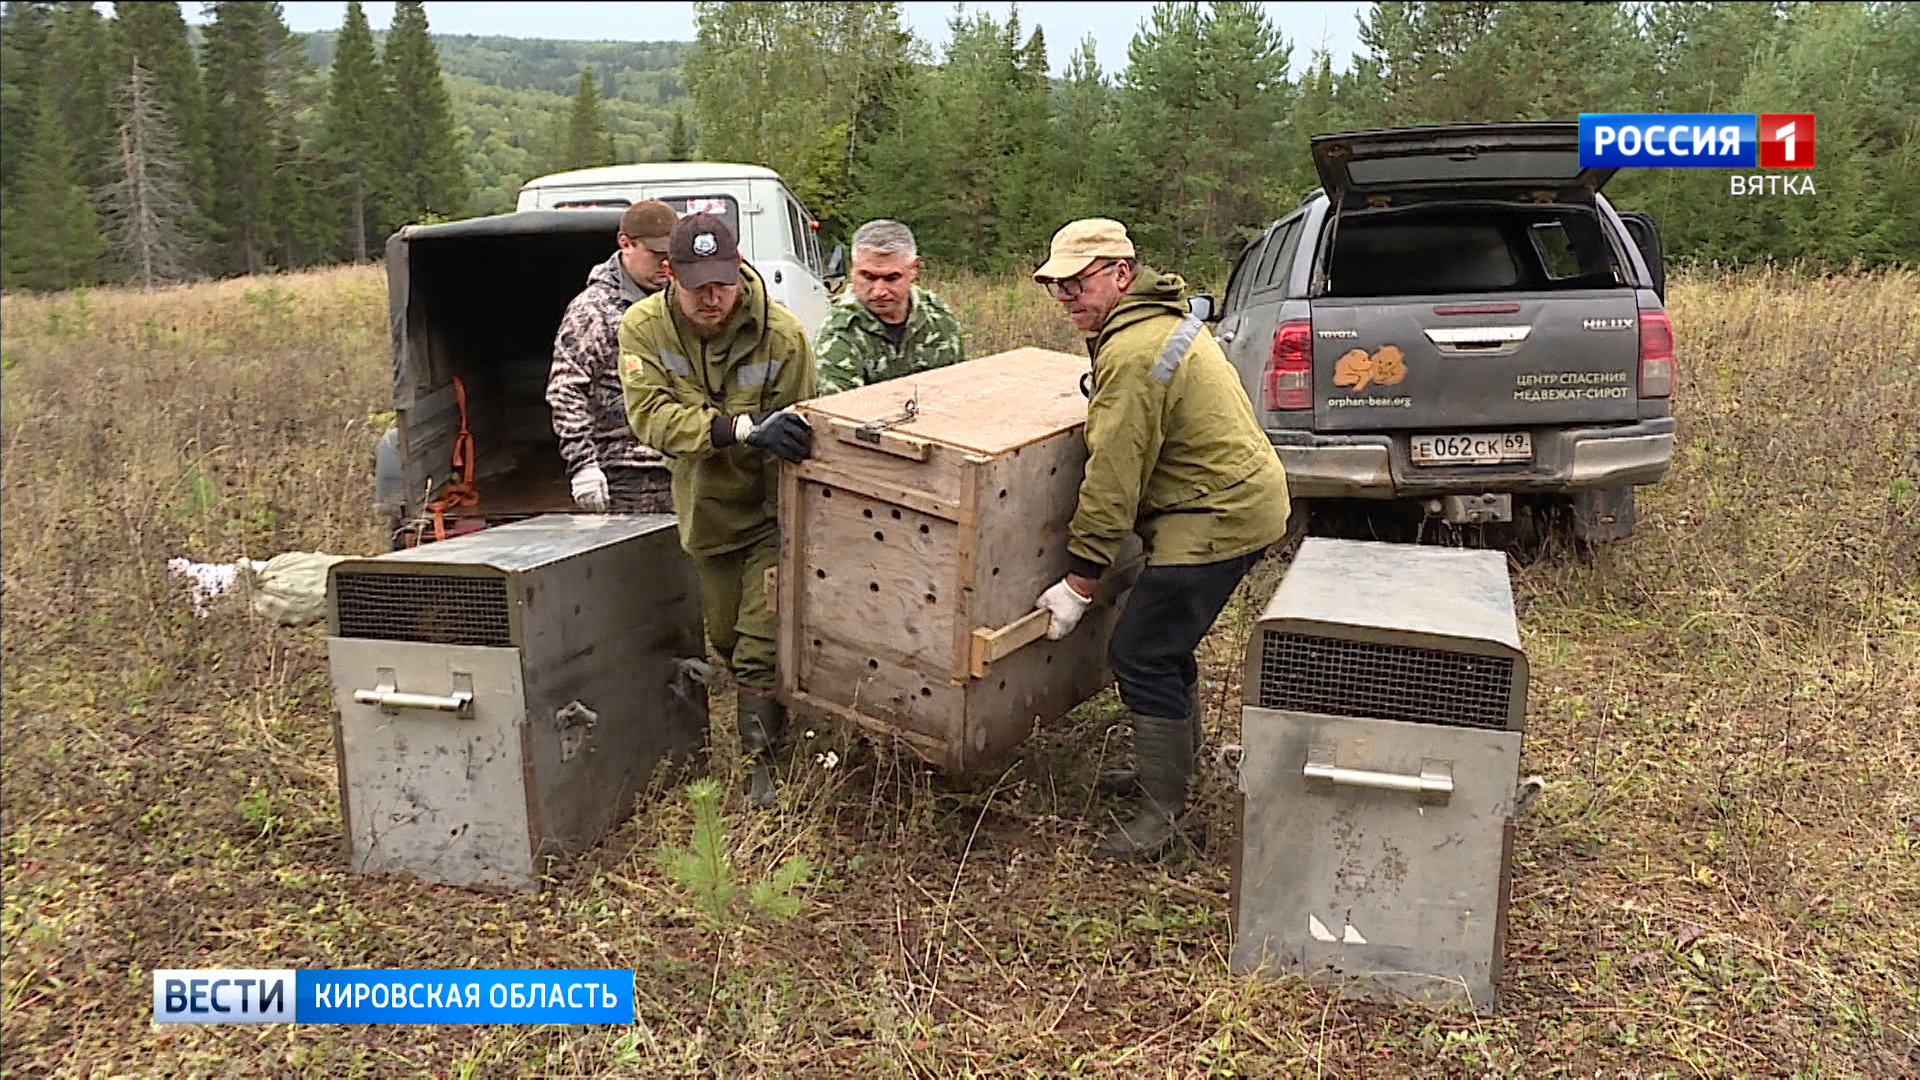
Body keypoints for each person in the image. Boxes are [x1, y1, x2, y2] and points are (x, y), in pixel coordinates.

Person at [1030, 218, 1292, 860]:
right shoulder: (1152, 322)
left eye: (1077, 283)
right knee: (1166, 644)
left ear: (1121, 274)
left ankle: (1163, 814)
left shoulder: (1133, 349)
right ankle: (1174, 773)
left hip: (1216, 516)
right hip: (1236, 500)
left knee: (1140, 652)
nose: (1066, 298)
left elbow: (1113, 477)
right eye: (1056, 287)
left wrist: (1079, 582)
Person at [620, 213, 816, 807]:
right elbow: (650, 416)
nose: (713, 297)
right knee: (726, 639)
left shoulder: (782, 337)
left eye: (723, 283)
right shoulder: (643, 330)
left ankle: (763, 767)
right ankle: (774, 708)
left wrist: (786, 435)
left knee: (759, 641)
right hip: (705, 514)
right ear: (669, 273)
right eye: (698, 283)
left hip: (771, 516)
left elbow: (808, 426)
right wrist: (740, 430)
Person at [548, 200, 679, 514]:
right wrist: (582, 464)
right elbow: (565, 389)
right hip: (626, 471)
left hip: (685, 459)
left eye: (670, 256)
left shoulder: (682, 299)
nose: (664, 265)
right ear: (626, 244)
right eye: (655, 255)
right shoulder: (593, 310)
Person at [813, 220, 966, 393]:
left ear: (913, 269)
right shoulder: (838, 333)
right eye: (868, 277)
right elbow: (840, 413)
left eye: (892, 278)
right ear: (853, 268)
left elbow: (959, 389)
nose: (879, 292)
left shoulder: (938, 317)